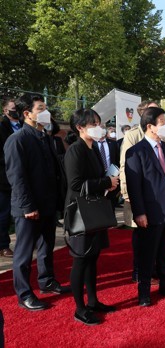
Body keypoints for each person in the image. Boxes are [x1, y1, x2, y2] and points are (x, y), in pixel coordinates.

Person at [4, 93, 70, 311]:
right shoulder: (18, 140)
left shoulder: (46, 137)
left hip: (48, 205)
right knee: (24, 253)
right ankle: (24, 294)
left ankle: (47, 281)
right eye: (41, 108)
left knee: (46, 246)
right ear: (27, 114)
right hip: (29, 208)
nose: (46, 112)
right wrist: (27, 207)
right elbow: (17, 177)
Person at [125, 107, 165, 306]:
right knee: (147, 253)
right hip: (149, 211)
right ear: (150, 126)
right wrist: (139, 212)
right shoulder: (136, 151)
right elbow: (134, 186)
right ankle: (143, 292)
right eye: (162, 123)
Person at [64, 109, 118, 325]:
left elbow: (96, 177)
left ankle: (93, 301)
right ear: (80, 127)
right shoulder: (75, 150)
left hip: (94, 212)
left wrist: (109, 180)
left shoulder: (93, 147)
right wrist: (106, 183)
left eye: (99, 123)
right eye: (93, 124)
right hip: (80, 214)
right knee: (80, 260)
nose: (99, 127)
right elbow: (75, 184)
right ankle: (80, 308)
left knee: (93, 259)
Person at [119, 100, 159, 283]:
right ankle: (138, 271)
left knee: (156, 233)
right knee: (140, 233)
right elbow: (126, 166)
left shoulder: (162, 134)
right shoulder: (133, 135)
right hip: (139, 193)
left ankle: (154, 267)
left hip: (158, 195)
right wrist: (127, 193)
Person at [0, 97, 22, 258]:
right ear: (5, 110)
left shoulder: (23, 126)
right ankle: (3, 245)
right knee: (4, 213)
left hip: (22, 177)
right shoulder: (2, 128)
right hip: (4, 179)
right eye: (13, 108)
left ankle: (26, 241)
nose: (17, 110)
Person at [94, 125, 120, 209]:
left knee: (111, 203)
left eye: (103, 130)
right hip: (98, 178)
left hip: (112, 176)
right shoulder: (92, 144)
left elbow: (117, 160)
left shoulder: (113, 143)